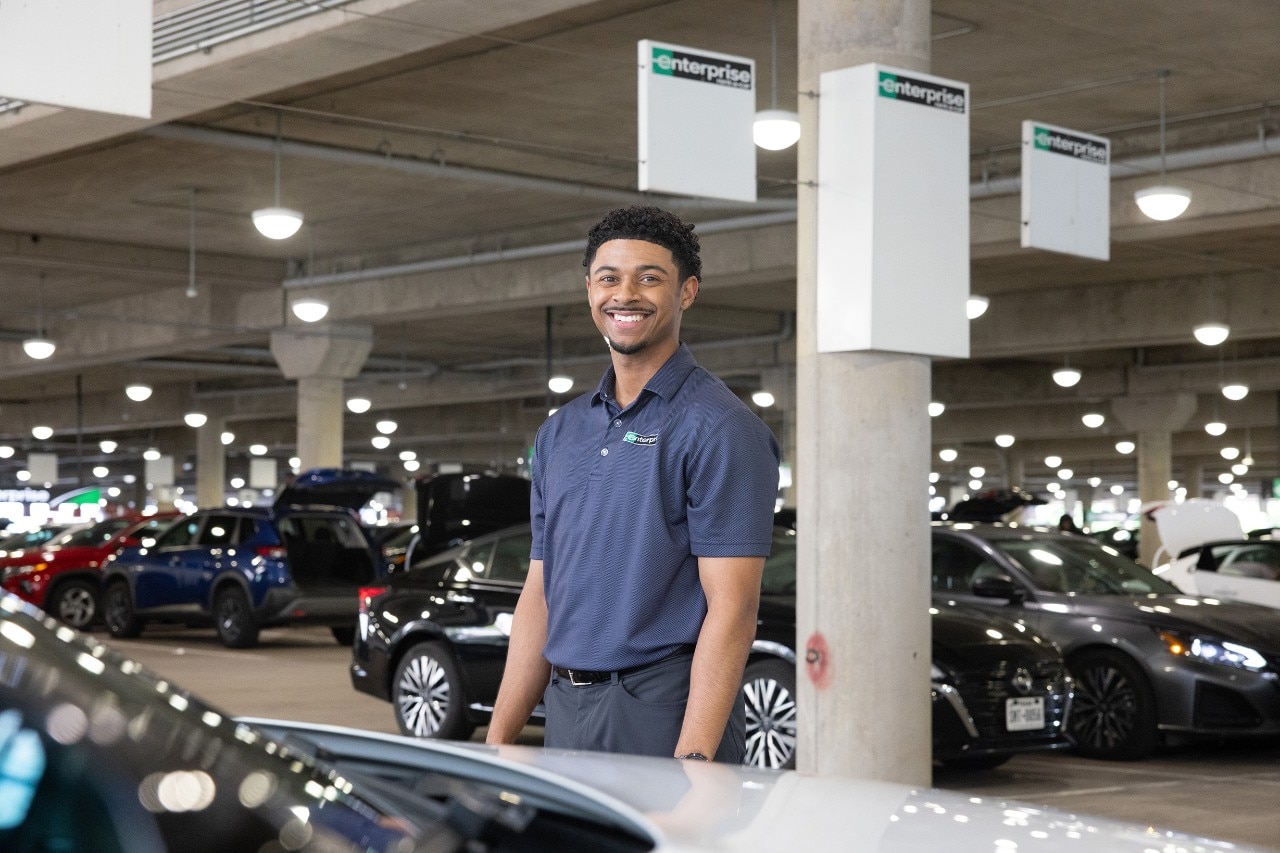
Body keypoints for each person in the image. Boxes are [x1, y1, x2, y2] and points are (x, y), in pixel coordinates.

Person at [485, 206, 780, 763]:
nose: (626, 294)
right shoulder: (560, 433)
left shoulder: (721, 429)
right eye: (609, 277)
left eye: (650, 277)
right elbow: (540, 592)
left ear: (686, 292)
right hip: (566, 706)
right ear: (589, 290)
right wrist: (499, 741)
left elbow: (734, 609)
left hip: (663, 706)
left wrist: (693, 761)